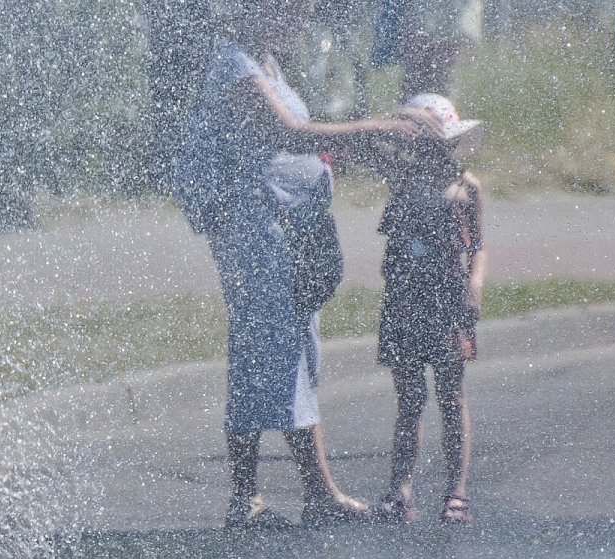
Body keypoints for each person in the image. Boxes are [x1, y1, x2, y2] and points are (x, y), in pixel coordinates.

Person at [170, 0, 436, 528]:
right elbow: (289, 133)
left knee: (290, 350)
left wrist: (366, 150)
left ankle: (311, 493)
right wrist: (375, 127)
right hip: (256, 234)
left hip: (285, 231)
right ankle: (252, 498)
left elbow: (302, 135)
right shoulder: (234, 66)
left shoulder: (265, 62)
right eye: (294, 11)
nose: (304, 22)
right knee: (264, 351)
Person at [371, 94, 486, 525]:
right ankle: (399, 488)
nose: (437, 152)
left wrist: (474, 286)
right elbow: (370, 143)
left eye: (443, 143)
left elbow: (477, 247)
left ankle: (456, 489)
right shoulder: (400, 182)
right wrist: (403, 118)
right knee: (409, 399)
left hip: (447, 301)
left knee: (452, 396)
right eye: (426, 143)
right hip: (404, 300)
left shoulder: (465, 187)